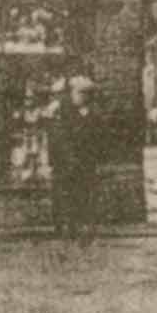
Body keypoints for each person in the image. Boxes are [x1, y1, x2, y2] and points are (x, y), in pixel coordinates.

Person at [46, 69, 102, 245]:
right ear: (72, 92)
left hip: (84, 161)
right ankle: (63, 226)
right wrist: (66, 157)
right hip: (64, 161)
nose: (83, 97)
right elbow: (57, 136)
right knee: (64, 193)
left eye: (87, 94)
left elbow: (97, 136)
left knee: (82, 194)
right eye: (80, 93)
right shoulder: (61, 109)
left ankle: (77, 226)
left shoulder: (91, 111)